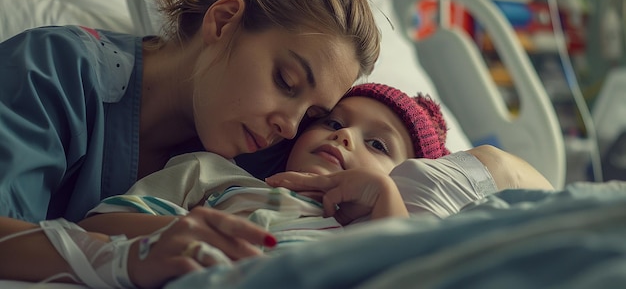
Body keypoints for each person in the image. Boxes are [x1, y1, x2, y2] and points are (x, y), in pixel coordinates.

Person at [0, 0, 381, 288]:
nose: (290, 125)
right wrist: (127, 257)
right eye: (285, 80)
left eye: (313, 112)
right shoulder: (55, 69)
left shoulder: (273, 161)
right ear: (223, 21)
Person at [78, 83, 551, 270]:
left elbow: (401, 271)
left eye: (377, 144)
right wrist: (185, 233)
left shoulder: (385, 221)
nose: (345, 136)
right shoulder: (214, 175)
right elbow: (95, 227)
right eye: (332, 121)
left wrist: (384, 194)